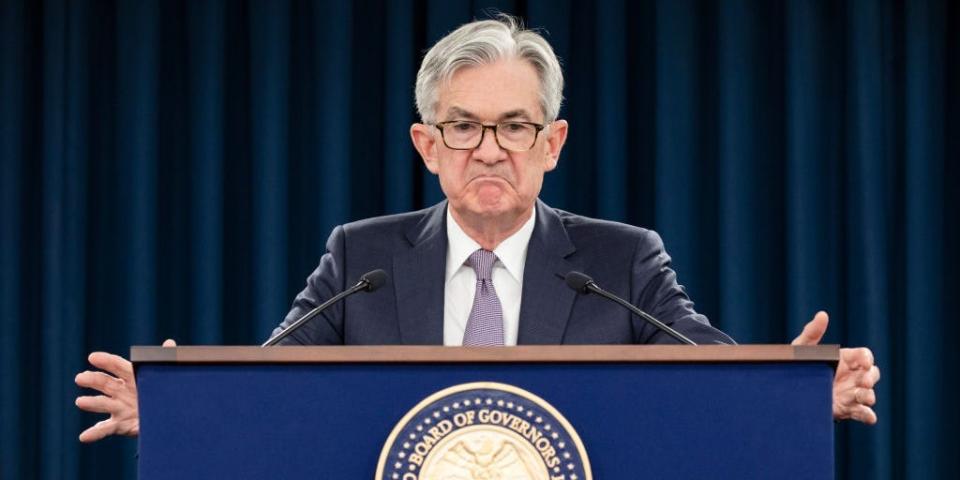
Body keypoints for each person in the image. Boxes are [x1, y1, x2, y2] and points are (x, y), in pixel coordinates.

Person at [75, 15, 880, 444]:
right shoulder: (364, 256)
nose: (489, 149)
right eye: (462, 126)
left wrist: (796, 391)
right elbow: (274, 378)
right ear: (428, 145)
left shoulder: (620, 260)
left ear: (552, 143)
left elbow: (706, 370)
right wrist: (184, 408)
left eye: (514, 126)